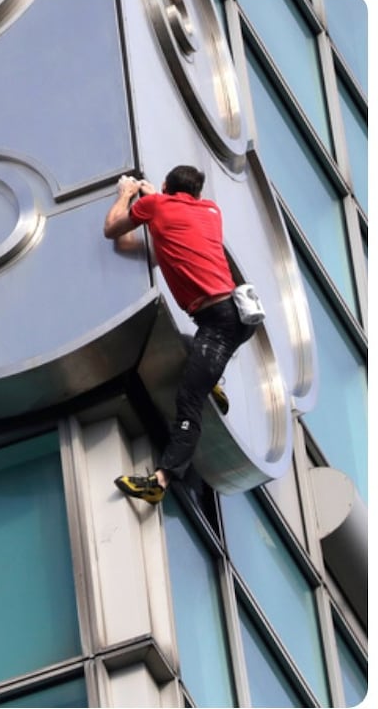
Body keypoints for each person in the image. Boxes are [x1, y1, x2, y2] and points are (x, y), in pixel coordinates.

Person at [102, 165, 254, 504]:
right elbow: (178, 227)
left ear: (166, 186)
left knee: (188, 402)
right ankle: (210, 381)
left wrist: (126, 194)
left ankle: (160, 481)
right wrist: (157, 196)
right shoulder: (211, 211)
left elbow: (113, 230)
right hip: (238, 315)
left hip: (218, 321)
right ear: (197, 194)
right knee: (188, 350)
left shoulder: (155, 206)